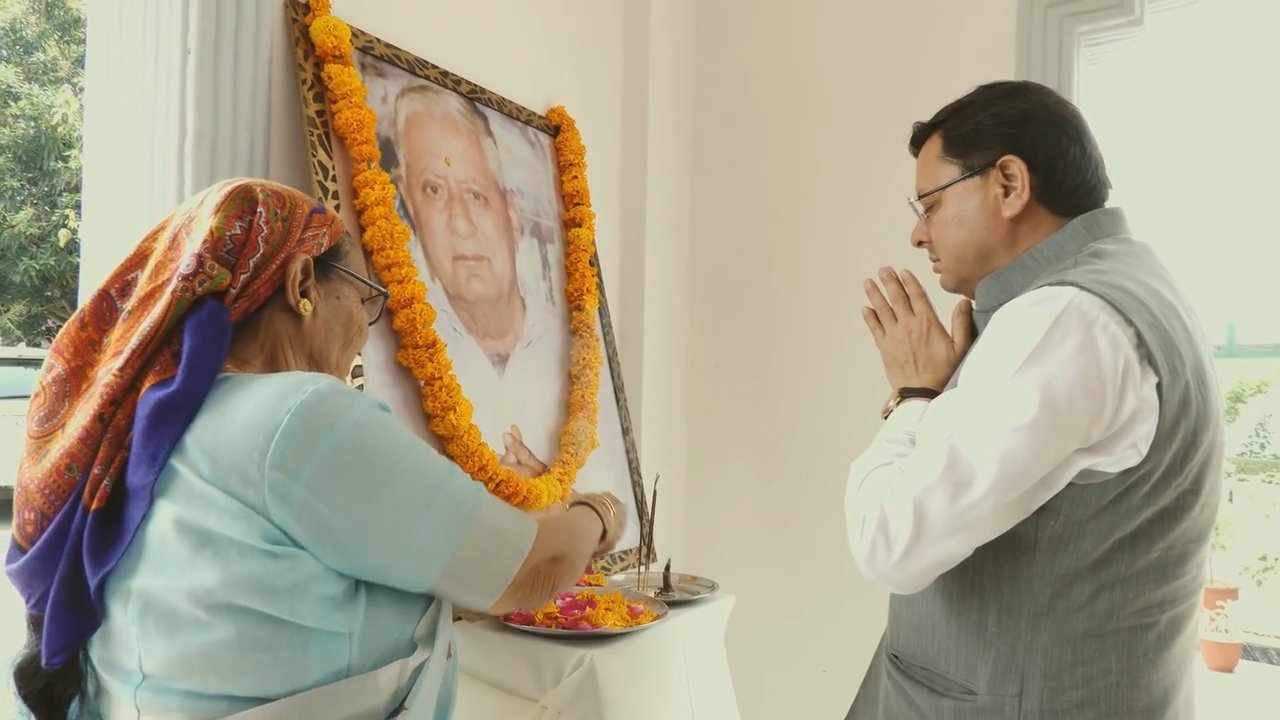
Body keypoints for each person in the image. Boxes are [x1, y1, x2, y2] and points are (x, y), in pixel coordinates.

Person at [5, 179, 626, 719]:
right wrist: (598, 513)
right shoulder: (298, 413)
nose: (363, 334)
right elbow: (530, 569)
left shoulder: (152, 435)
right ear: (303, 282)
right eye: (363, 299)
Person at [844, 80, 1222, 719]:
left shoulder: (1066, 317)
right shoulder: (1127, 283)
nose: (917, 234)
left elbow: (889, 541)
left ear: (1010, 184)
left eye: (930, 204)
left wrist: (914, 395)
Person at [359, 83, 638, 549]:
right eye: (433, 191)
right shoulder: (386, 356)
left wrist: (555, 500)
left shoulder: (575, 351)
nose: (460, 222)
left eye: (475, 194)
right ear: (407, 205)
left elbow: (623, 515)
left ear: (511, 212)